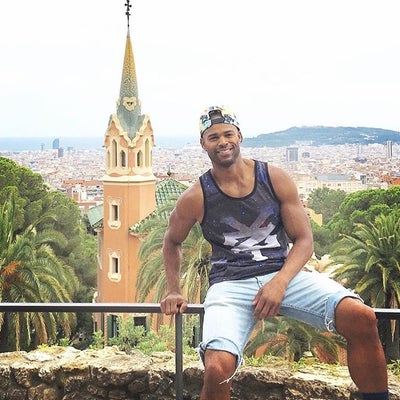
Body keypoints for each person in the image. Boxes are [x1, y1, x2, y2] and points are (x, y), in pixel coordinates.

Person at [160, 105, 389, 400]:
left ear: (239, 136)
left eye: (228, 134)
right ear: (203, 143)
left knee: (361, 317)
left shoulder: (273, 178)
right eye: (213, 137)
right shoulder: (197, 195)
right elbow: (172, 241)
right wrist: (174, 289)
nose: (223, 142)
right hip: (230, 284)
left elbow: (304, 240)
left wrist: (279, 283)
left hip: (283, 274)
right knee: (217, 368)